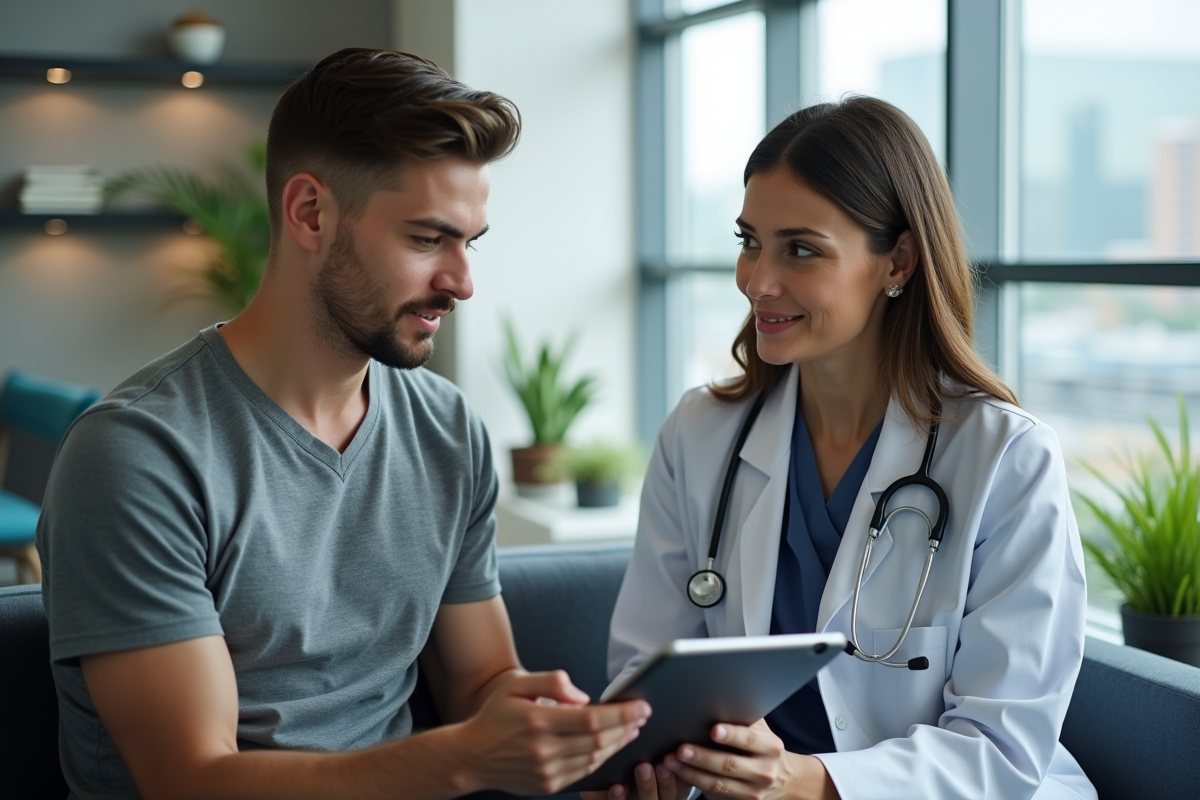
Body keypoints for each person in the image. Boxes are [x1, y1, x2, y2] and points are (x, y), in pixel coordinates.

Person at [37, 48, 649, 800]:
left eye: (470, 242)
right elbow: (192, 780)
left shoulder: (447, 429)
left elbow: (480, 681)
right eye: (426, 239)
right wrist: (462, 761)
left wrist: (566, 732)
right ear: (310, 213)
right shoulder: (138, 454)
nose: (462, 282)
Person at [594, 97, 1095, 800]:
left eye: (800, 249)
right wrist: (659, 766)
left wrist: (808, 782)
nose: (757, 281)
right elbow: (646, 671)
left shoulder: (1007, 459)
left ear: (898, 261)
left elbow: (1001, 751)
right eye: (749, 241)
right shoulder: (699, 433)